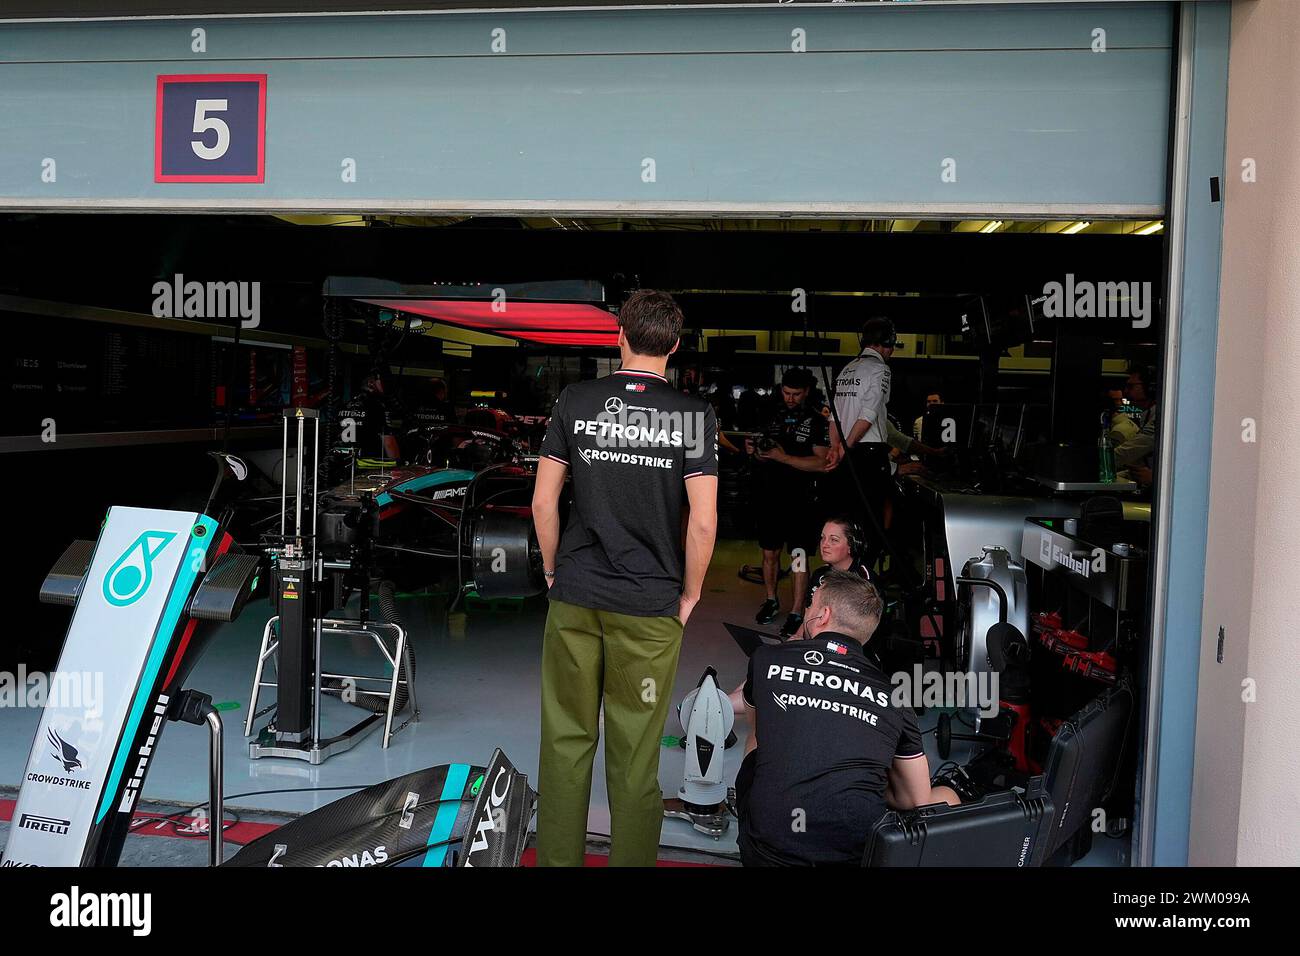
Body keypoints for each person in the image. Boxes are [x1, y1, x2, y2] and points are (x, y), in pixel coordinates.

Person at [531, 289, 719, 867]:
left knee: (565, 743)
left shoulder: (576, 400)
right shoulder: (693, 416)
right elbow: (704, 523)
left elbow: (543, 502)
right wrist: (689, 596)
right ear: (676, 347)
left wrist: (552, 569)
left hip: (577, 597)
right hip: (649, 607)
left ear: (620, 337)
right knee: (635, 753)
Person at [736, 570, 959, 866]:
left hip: (766, 851)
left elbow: (759, 732)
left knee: (761, 729)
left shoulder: (767, 659)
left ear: (823, 615)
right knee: (946, 796)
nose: (806, 610)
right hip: (857, 856)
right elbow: (915, 799)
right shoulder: (895, 695)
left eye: (811, 604)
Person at [749, 367, 830, 627]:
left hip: (801, 499)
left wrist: (783, 457)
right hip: (769, 494)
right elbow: (755, 448)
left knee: (798, 556)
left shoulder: (817, 421)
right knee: (769, 553)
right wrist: (754, 451)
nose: (790, 398)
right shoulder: (770, 414)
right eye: (786, 393)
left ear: (806, 392)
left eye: (796, 394)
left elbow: (821, 463)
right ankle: (771, 600)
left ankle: (796, 611)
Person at [337, 368, 400, 463]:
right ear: (371, 383)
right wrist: (398, 465)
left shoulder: (345, 405)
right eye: (382, 381)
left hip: (343, 462)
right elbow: (389, 443)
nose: (385, 384)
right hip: (368, 464)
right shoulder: (378, 406)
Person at [1115, 364, 1158, 487]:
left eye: (1131, 386)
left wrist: (1098, 463)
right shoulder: (1148, 414)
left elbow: (1132, 449)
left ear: (1151, 388)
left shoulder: (1160, 417)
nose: (1126, 391)